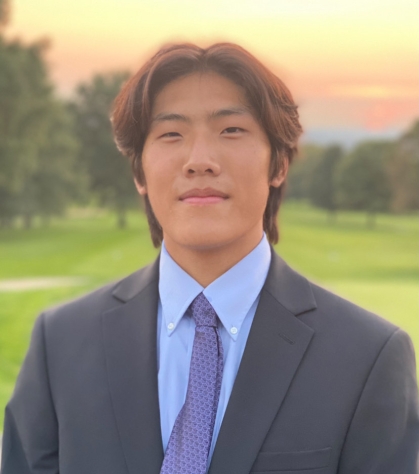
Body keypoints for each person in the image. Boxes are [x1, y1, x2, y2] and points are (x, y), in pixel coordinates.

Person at [1, 42, 418, 474]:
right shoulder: (62, 344)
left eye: (231, 130)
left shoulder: (368, 357)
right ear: (139, 172)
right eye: (171, 134)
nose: (199, 161)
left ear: (278, 165)